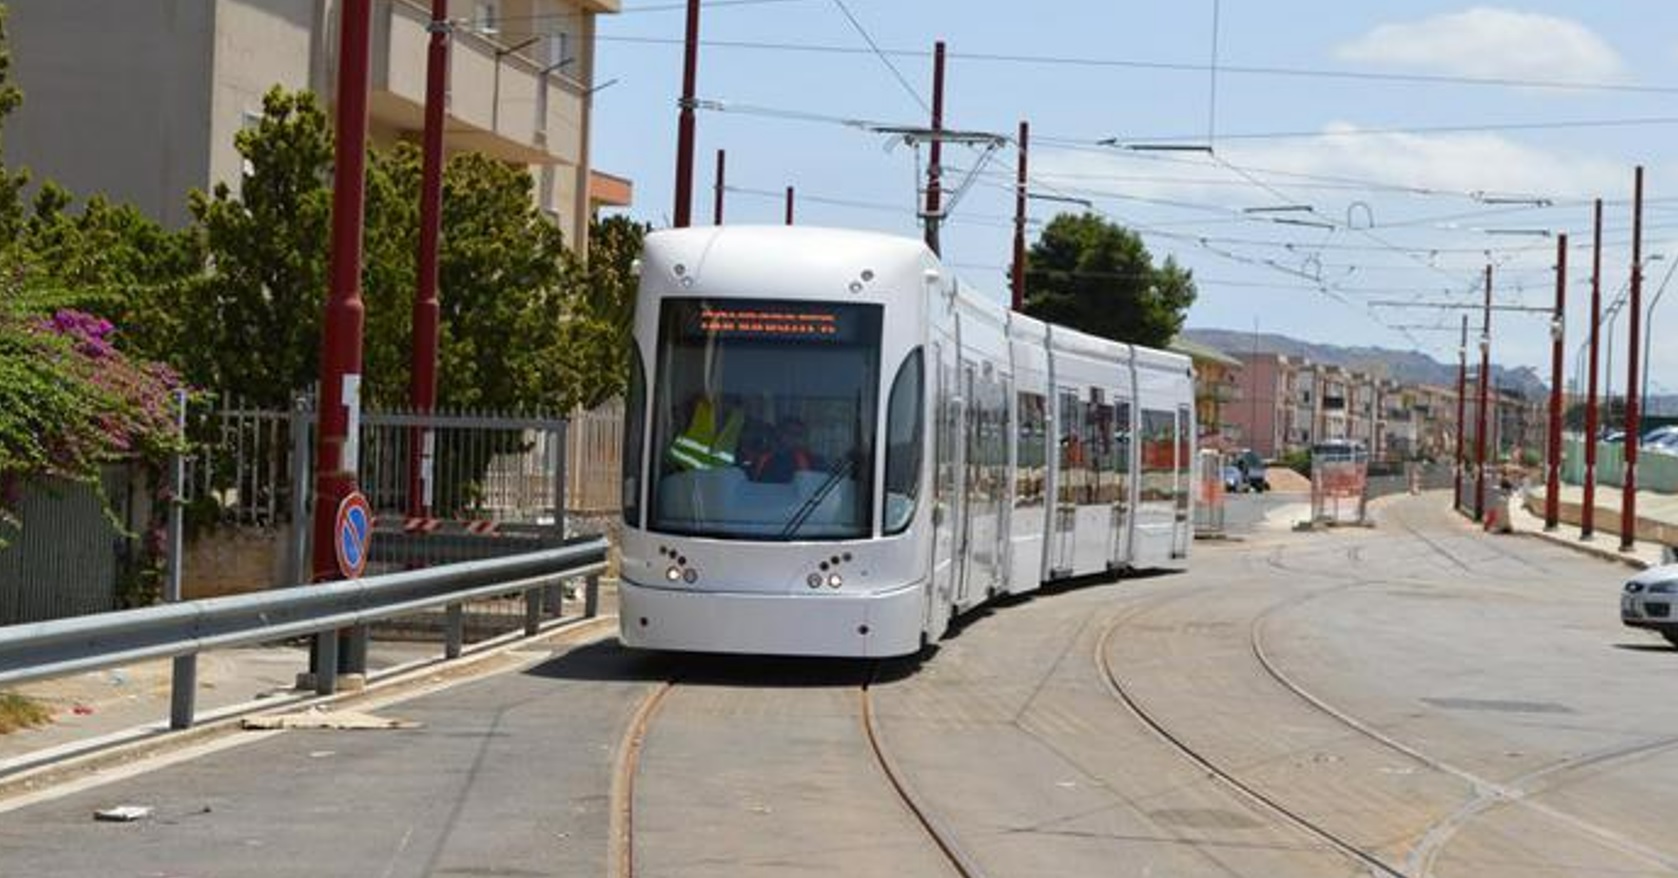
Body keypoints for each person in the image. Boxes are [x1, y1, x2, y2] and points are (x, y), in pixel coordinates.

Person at [753, 417, 816, 482]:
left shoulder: (812, 460)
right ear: (779, 433)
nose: (793, 438)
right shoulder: (764, 457)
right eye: (790, 432)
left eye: (798, 435)